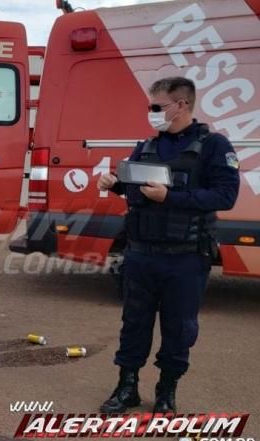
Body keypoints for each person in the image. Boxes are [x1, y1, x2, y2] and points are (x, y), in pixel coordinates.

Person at [97, 77, 239, 414]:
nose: (152, 113)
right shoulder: (146, 146)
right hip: (141, 254)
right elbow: (134, 190)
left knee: (179, 328)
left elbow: (226, 195)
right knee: (134, 323)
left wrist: (171, 197)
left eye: (157, 107)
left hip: (186, 258)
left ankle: (166, 391)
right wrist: (115, 185)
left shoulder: (214, 146)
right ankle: (127, 386)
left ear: (182, 105)